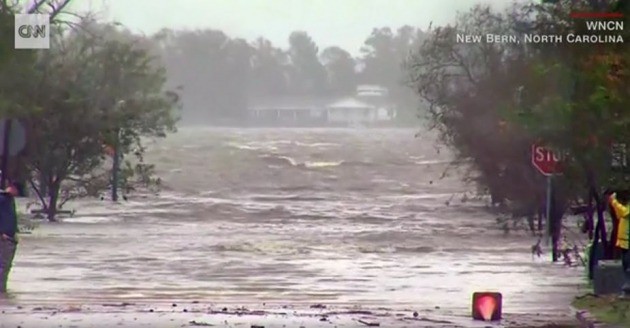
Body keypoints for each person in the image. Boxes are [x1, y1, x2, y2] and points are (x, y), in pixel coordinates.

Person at [608, 191, 630, 296]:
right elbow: (619, 215)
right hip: (624, 241)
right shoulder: (626, 205)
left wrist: (614, 202)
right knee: (625, 265)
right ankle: (626, 289)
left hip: (627, 241)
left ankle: (627, 288)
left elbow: (624, 213)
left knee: (628, 265)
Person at [0, 184, 19, 294]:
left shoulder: (8, 200)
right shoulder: (3, 200)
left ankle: (3, 293)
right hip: (4, 238)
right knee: (3, 266)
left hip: (9, 237)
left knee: (5, 266)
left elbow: (11, 219)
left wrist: (14, 233)